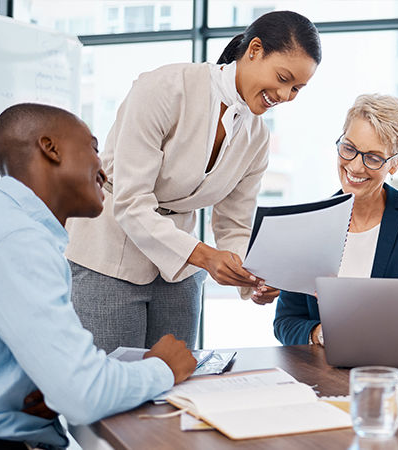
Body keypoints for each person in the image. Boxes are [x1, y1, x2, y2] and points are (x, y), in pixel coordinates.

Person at [0, 104, 197, 449]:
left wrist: (48, 382)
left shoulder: (5, 222)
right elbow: (83, 393)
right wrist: (163, 367)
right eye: (92, 148)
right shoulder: (17, 241)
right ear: (50, 148)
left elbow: (58, 374)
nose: (103, 170)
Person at [65, 11, 321, 353]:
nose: (286, 95)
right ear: (255, 50)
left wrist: (253, 278)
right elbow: (131, 202)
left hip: (180, 265)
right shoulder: (164, 89)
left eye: (297, 89)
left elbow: (234, 224)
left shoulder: (257, 137)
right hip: (110, 250)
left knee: (177, 385)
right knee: (110, 384)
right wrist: (205, 256)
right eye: (283, 78)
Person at [273, 94, 398, 346]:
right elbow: (286, 322)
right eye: (349, 149)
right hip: (322, 371)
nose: (355, 167)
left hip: (389, 369)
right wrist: (321, 333)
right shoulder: (310, 223)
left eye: (373, 157)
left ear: (395, 164)